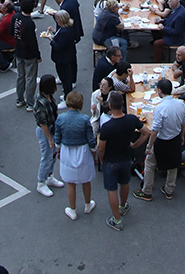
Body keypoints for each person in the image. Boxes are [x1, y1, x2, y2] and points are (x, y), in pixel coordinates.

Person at [97, 90, 149, 231]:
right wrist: (135, 145)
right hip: (126, 158)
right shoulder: (131, 120)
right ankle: (123, 206)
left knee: (111, 189)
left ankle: (117, 220)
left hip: (110, 160)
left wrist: (101, 160)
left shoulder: (106, 127)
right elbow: (146, 132)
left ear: (110, 106)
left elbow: (101, 148)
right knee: (124, 183)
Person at [136, 77, 185, 202]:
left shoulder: (160, 108)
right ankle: (169, 190)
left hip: (162, 141)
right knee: (173, 165)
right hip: (175, 139)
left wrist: (148, 146)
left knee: (150, 164)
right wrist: (182, 136)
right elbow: (184, 123)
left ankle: (147, 191)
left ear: (159, 91)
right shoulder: (180, 104)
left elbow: (155, 130)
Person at [54, 90, 97, 220]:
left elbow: (57, 137)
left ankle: (72, 210)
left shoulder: (61, 118)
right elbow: (91, 139)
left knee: (70, 182)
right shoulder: (84, 119)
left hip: (67, 150)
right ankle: (87, 204)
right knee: (86, 180)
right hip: (83, 151)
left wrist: (58, 150)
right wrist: (94, 153)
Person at [33, 74, 66, 197]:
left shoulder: (49, 97)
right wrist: (50, 139)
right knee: (46, 156)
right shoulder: (42, 103)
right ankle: (41, 182)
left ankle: (49, 176)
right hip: (46, 132)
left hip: (52, 129)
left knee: (52, 155)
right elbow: (43, 124)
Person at [13, 0, 41, 111]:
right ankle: (30, 102)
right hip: (29, 53)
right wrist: (38, 55)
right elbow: (32, 42)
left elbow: (11, 32)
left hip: (18, 50)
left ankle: (19, 99)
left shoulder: (16, 17)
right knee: (30, 78)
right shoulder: (29, 23)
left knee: (20, 75)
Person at [49, 11, 77, 95]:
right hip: (66, 57)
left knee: (65, 78)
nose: (56, 20)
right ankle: (67, 93)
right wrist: (54, 32)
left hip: (63, 58)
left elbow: (58, 46)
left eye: (57, 19)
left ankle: (67, 96)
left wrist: (51, 40)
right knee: (65, 77)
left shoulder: (65, 31)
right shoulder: (66, 28)